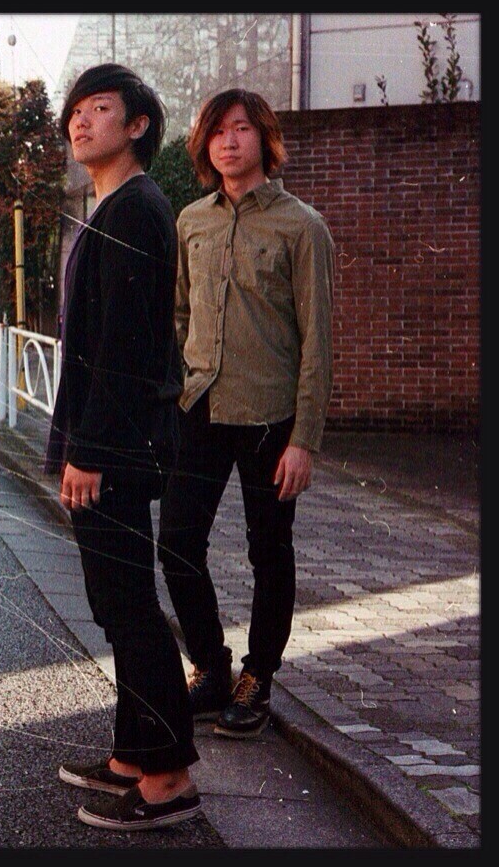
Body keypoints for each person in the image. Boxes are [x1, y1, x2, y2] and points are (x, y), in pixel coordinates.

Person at [44, 64, 200, 831]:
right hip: (110, 439)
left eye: (99, 109)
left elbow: (125, 348)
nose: (81, 121)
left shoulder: (136, 208)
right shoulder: (112, 205)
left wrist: (90, 450)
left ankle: (167, 775)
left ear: (137, 125)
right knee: (116, 601)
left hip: (116, 445)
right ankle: (135, 753)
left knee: (129, 605)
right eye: (75, 111)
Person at [159, 89, 334, 739]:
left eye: (241, 129)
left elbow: (318, 339)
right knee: (177, 541)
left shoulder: (301, 226)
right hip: (201, 409)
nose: (228, 142)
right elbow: (179, 312)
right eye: (217, 132)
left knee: (269, 551)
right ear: (204, 145)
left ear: (264, 138)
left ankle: (258, 677)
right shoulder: (191, 222)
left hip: (270, 419)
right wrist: (181, 384)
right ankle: (210, 666)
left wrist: (304, 439)